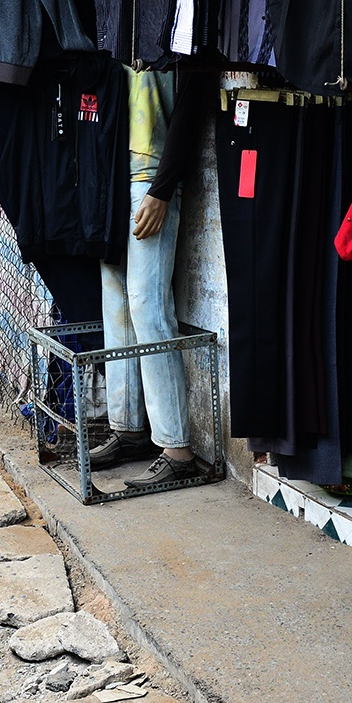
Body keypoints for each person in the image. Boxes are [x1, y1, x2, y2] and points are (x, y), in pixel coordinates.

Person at [89, 67, 215, 487]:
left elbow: (192, 98)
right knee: (116, 302)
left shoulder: (172, 23)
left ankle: (177, 449)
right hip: (113, 172)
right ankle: (127, 429)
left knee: (147, 304)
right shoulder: (116, 15)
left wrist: (163, 187)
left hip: (150, 173)